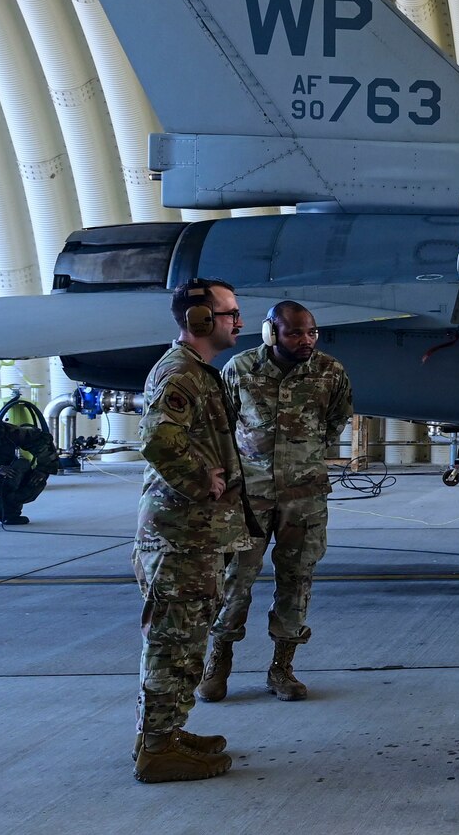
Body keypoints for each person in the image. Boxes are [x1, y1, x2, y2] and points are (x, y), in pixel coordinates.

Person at [200, 301, 354, 704]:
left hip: (304, 499)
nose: (306, 341)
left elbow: (336, 422)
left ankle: (282, 667)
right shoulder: (240, 370)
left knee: (297, 582)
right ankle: (218, 662)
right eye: (295, 333)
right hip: (249, 500)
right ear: (272, 333)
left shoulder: (329, 372)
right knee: (234, 582)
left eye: (311, 333)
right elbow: (223, 427)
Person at [132, 278, 253, 782]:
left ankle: (165, 731)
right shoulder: (179, 374)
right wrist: (202, 481)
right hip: (182, 536)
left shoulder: (199, 372)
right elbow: (158, 441)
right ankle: (159, 750)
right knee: (173, 643)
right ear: (200, 320)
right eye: (229, 314)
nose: (238, 322)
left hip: (196, 535)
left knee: (182, 641)